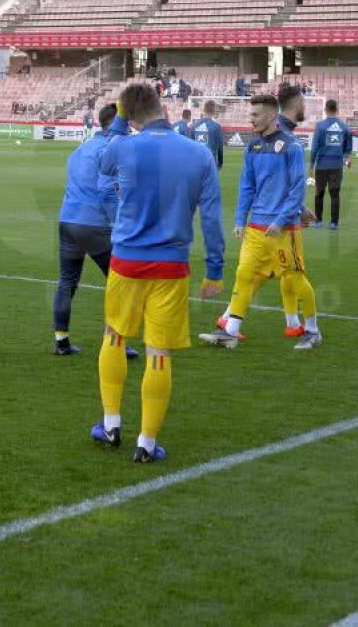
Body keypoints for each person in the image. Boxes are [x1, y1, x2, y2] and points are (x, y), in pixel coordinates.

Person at [89, 84, 224, 462]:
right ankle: (146, 444)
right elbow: (211, 217)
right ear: (164, 107)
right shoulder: (199, 154)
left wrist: (118, 121)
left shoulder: (122, 146)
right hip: (171, 264)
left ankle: (111, 424)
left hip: (127, 261)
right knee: (158, 351)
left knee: (114, 335)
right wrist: (214, 269)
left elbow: (101, 162)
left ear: (127, 116)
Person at [201, 92, 321, 350]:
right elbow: (247, 186)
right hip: (256, 227)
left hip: (282, 228)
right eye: (250, 114)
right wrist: (239, 219)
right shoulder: (252, 147)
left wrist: (282, 219)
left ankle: (312, 330)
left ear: (272, 115)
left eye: (255, 115)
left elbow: (297, 188)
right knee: (244, 274)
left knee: (294, 278)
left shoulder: (292, 146)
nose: (250, 119)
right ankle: (231, 330)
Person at [52, 104, 137, 358]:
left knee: (67, 281)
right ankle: (115, 343)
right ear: (116, 123)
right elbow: (107, 190)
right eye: (127, 125)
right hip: (95, 223)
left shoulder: (81, 147)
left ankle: (61, 342)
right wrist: (117, 224)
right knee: (120, 282)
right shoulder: (112, 149)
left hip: (68, 221)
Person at [308, 99, 353, 230]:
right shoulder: (344, 127)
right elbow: (348, 148)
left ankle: (318, 221)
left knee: (319, 193)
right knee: (335, 194)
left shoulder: (320, 126)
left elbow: (315, 147)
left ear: (325, 109)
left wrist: (311, 165)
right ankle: (334, 223)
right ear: (337, 109)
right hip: (337, 166)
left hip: (322, 165)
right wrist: (348, 159)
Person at [191, 100, 224, 169]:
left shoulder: (194, 126)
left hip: (196, 161)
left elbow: (190, 145)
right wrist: (220, 162)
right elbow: (220, 147)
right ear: (214, 111)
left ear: (204, 110)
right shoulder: (216, 126)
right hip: (210, 161)